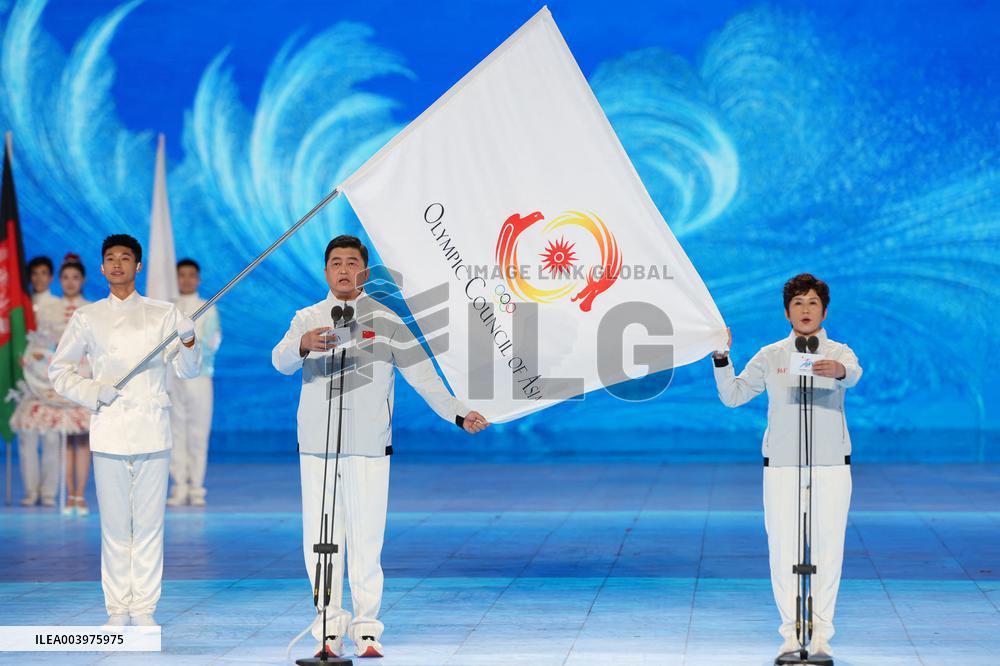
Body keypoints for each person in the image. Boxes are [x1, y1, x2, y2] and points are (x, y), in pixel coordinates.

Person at [272, 235, 489, 659]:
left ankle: (367, 630)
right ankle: (328, 628)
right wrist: (303, 345)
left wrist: (459, 413)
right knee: (320, 539)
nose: (344, 270)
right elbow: (280, 361)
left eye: (352, 263)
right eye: (336, 263)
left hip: (369, 447)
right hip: (317, 446)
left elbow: (424, 377)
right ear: (326, 271)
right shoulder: (307, 318)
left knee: (366, 539)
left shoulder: (387, 321)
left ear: (365, 272)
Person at [49, 234, 200, 626]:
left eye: (126, 258)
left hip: (152, 427)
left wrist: (188, 341)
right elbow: (59, 371)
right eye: (111, 259)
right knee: (115, 526)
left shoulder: (163, 313)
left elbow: (188, 370)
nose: (118, 264)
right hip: (110, 428)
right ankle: (117, 608)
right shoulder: (88, 317)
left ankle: (144, 609)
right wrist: (93, 391)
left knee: (149, 525)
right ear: (102, 268)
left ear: (138, 265)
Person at [711, 273, 862, 659]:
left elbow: (853, 375)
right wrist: (721, 358)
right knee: (782, 550)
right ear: (786, 312)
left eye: (813, 303)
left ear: (824, 311)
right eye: (798, 303)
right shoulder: (771, 355)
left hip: (830, 466)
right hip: (782, 467)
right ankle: (792, 635)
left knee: (829, 549)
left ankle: (821, 635)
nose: (805, 310)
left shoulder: (839, 352)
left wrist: (838, 371)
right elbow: (733, 395)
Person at [166, 258, 222, 507]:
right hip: (173, 377)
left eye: (191, 275)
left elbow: (213, 341)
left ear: (198, 279)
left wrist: (191, 355)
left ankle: (197, 486)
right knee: (176, 431)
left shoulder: (207, 307)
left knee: (199, 432)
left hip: (200, 376)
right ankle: (179, 486)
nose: (186, 279)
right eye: (182, 275)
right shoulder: (168, 307)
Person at [13, 256, 62, 506]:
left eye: (44, 273)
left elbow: (62, 343)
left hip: (48, 379)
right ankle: (31, 491)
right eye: (34, 273)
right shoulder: (19, 305)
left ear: (51, 277)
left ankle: (49, 491)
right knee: (27, 435)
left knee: (51, 436)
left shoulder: (58, 306)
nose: (39, 278)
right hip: (25, 380)